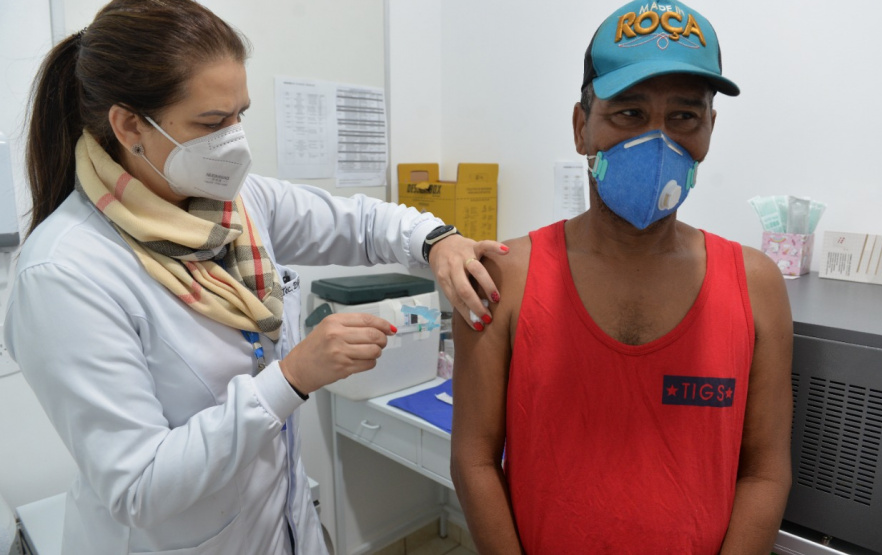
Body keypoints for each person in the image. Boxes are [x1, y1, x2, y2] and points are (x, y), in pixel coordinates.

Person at [3, 1, 506, 553]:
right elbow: (139, 487)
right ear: (129, 126)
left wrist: (437, 242)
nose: (235, 140)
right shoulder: (67, 272)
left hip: (280, 525)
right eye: (212, 123)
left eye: (240, 113)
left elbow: (358, 224)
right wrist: (289, 379)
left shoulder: (234, 205)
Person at [450, 1, 794, 553]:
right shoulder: (504, 276)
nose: (659, 141)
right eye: (629, 114)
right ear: (582, 127)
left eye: (684, 116)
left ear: (709, 128)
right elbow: (473, 461)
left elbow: (765, 473)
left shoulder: (756, 285)